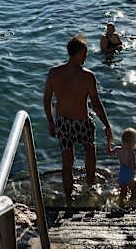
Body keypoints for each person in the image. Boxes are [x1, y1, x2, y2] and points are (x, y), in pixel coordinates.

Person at [44, 35, 112, 201]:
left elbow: (46, 100)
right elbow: (96, 104)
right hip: (82, 122)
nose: (87, 56)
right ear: (78, 53)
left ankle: (68, 196)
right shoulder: (88, 76)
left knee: (67, 162)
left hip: (63, 123)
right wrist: (107, 125)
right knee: (90, 154)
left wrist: (51, 121)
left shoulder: (54, 73)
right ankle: (89, 188)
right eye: (85, 53)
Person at [107, 128, 136, 207]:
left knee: (123, 192)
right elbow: (133, 166)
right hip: (128, 175)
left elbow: (109, 152)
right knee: (134, 191)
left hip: (121, 174)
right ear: (132, 142)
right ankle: (131, 204)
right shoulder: (131, 153)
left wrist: (109, 141)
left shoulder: (118, 149)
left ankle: (121, 205)